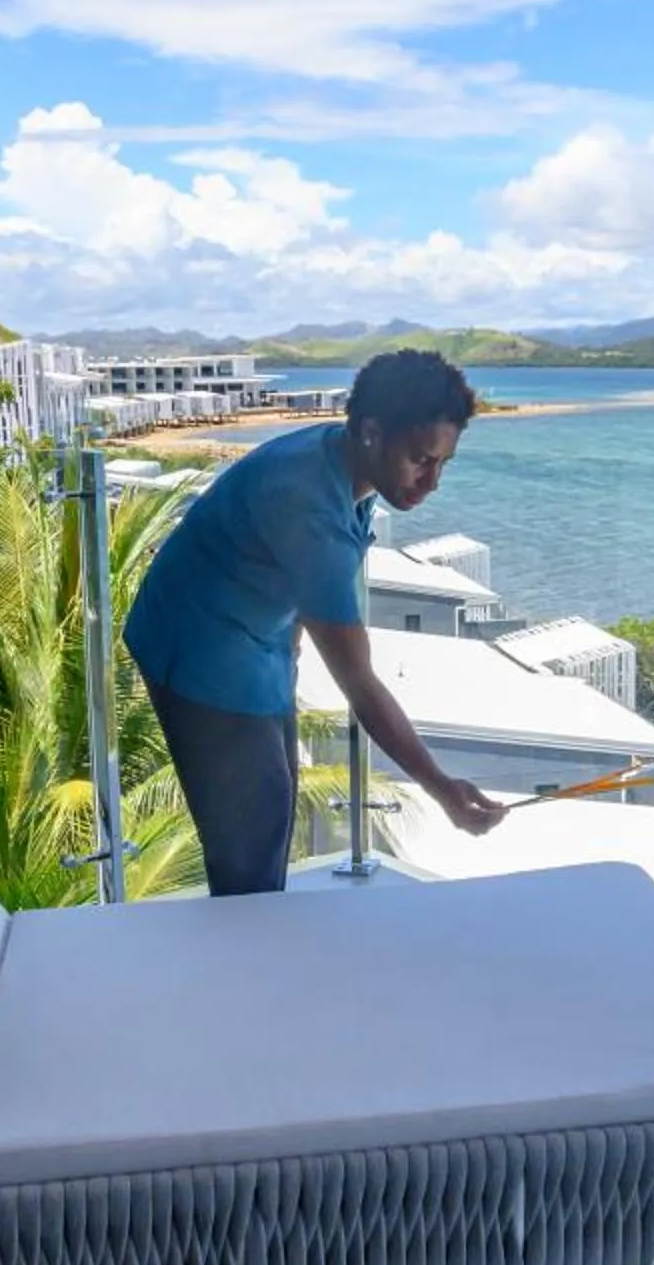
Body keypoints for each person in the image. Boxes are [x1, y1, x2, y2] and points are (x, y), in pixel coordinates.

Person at [124, 349, 507, 896]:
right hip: (200, 646)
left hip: (258, 638)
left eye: (444, 463)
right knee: (253, 840)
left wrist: (292, 652)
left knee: (269, 811)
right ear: (372, 432)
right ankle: (247, 966)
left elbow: (292, 578)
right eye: (422, 460)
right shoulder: (310, 508)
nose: (432, 482)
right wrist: (443, 788)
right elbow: (361, 685)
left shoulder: (342, 458)